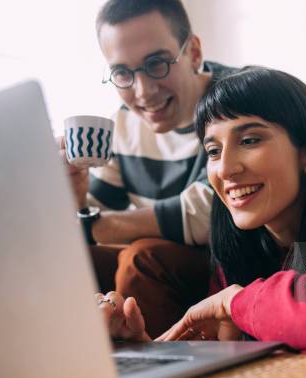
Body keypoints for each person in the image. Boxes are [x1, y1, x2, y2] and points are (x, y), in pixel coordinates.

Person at [96, 67, 306, 354]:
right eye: (213, 151)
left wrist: (234, 302)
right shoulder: (240, 249)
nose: (226, 169)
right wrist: (147, 352)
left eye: (249, 141)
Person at [60, 0, 236, 338]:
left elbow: (203, 216)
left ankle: (158, 367)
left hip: (230, 261)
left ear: (194, 53)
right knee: (76, 261)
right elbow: (95, 214)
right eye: (123, 73)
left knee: (142, 259)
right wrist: (77, 198)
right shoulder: (122, 126)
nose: (143, 92)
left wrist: (89, 226)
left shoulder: (234, 98)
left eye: (156, 63)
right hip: (170, 270)